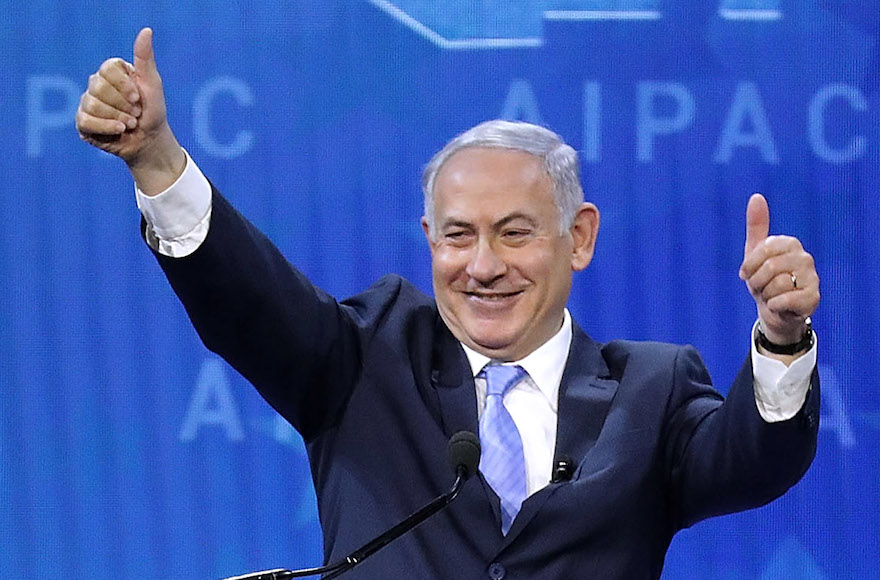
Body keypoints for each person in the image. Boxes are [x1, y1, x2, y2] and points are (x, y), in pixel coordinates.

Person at [76, 28, 821, 579]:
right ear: (429, 239)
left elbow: (754, 462)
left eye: (515, 233)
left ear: (580, 237)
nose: (483, 266)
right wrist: (159, 163)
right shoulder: (365, 359)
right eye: (458, 236)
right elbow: (249, 299)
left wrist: (782, 339)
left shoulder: (650, 390)